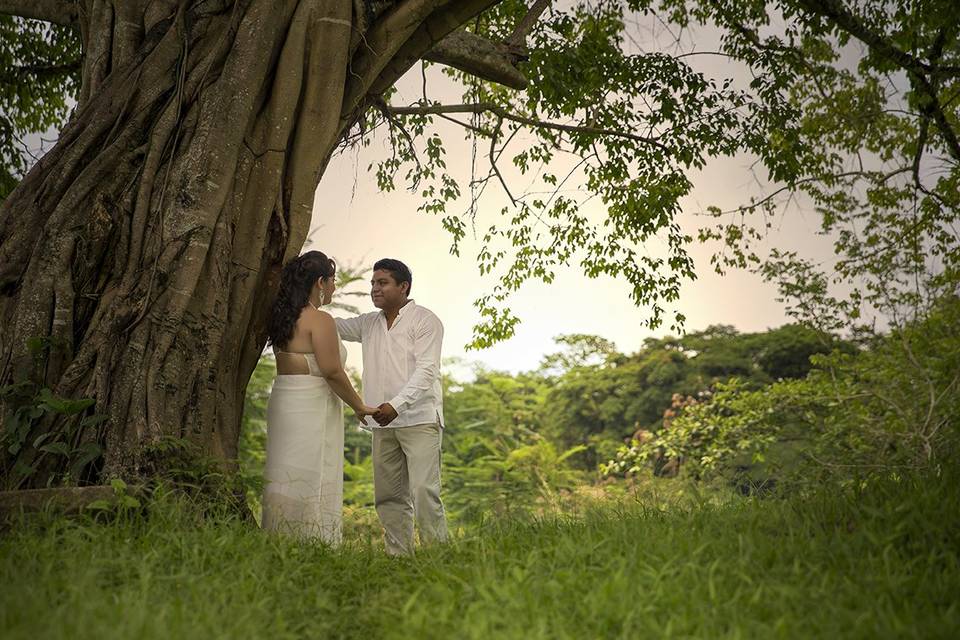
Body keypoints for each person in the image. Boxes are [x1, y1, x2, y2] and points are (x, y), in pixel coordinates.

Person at [262, 250, 376, 544]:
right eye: (333, 281)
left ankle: (280, 537)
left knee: (285, 468)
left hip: (284, 399)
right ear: (320, 282)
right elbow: (332, 371)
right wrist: (359, 405)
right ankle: (312, 540)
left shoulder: (281, 317)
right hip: (310, 404)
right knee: (313, 469)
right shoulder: (319, 319)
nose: (335, 287)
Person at [336, 258, 448, 555]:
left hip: (420, 419)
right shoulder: (368, 323)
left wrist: (396, 405)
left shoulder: (425, 320)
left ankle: (438, 556)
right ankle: (399, 558)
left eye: (382, 283)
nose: (375, 289)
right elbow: (331, 327)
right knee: (388, 496)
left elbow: (427, 371)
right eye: (373, 283)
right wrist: (301, 303)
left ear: (403, 286)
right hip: (381, 422)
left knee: (424, 491)